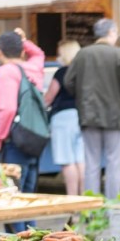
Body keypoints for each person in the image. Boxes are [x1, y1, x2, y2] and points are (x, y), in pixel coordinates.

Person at [65, 19, 120, 200]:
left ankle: (92, 210)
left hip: (88, 116)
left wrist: (80, 98)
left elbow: (68, 82)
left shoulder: (82, 54)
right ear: (111, 32)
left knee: (91, 164)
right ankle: (113, 207)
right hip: (115, 117)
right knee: (114, 164)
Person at [0, 29, 45, 194]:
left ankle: (22, 222)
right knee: (29, 195)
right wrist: (24, 39)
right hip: (36, 137)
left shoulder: (6, 71)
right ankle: (30, 222)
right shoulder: (34, 68)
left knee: (14, 195)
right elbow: (38, 53)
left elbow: (8, 110)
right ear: (22, 51)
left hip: (16, 140)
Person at [44, 40, 84, 196]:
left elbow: (48, 98)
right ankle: (85, 201)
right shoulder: (84, 72)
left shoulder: (62, 72)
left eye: (60, 53)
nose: (58, 56)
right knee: (81, 160)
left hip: (63, 119)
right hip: (82, 117)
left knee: (68, 162)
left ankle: (72, 200)